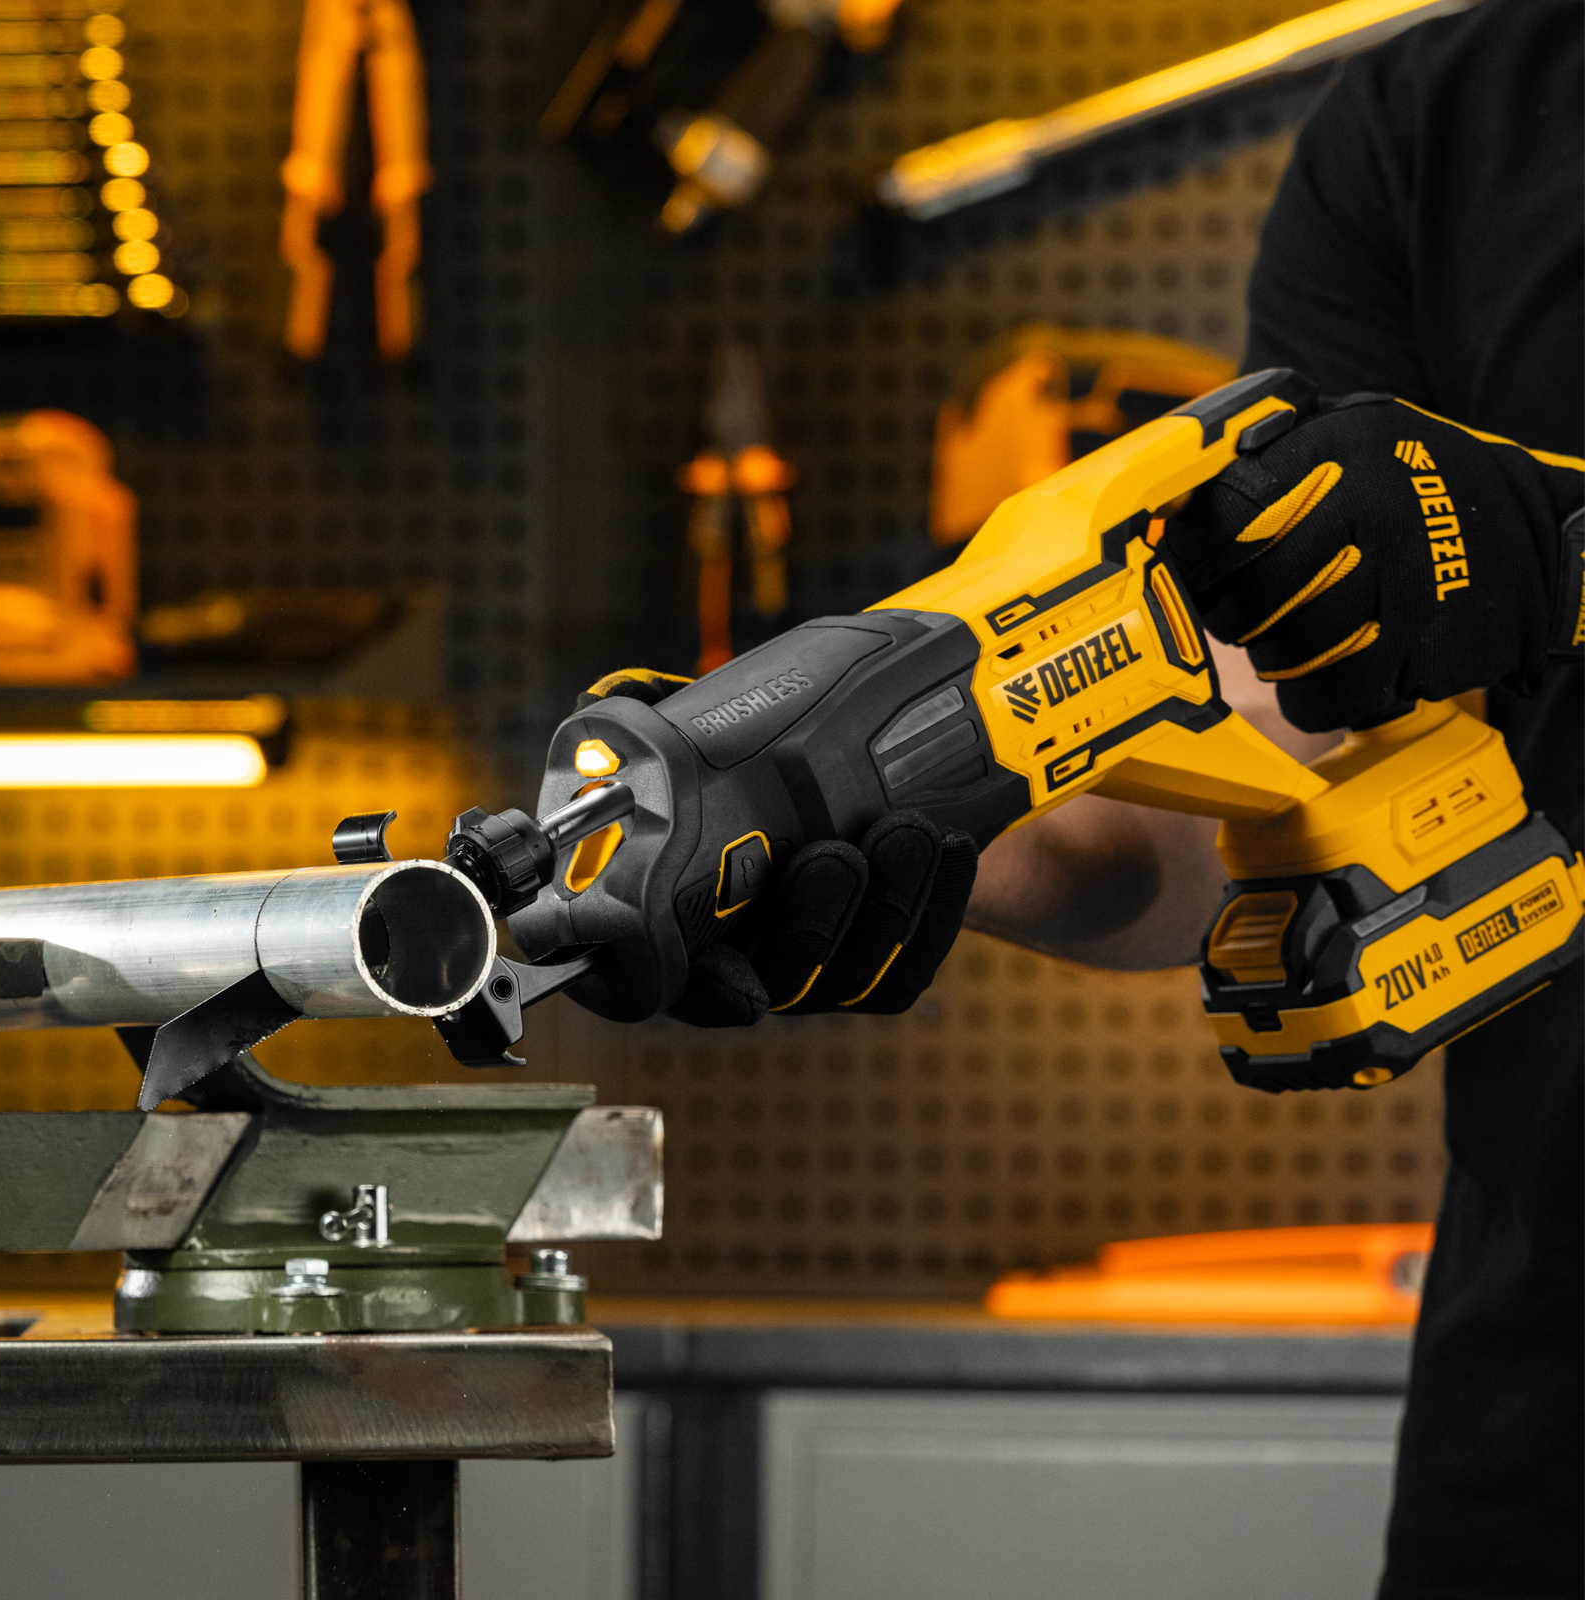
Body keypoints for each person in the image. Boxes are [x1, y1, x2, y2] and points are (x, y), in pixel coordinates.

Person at [573, 4, 1583, 1592]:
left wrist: (1568, 555)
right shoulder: (1439, 126)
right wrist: (903, 813)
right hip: (1542, 1418)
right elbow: (1270, 752)